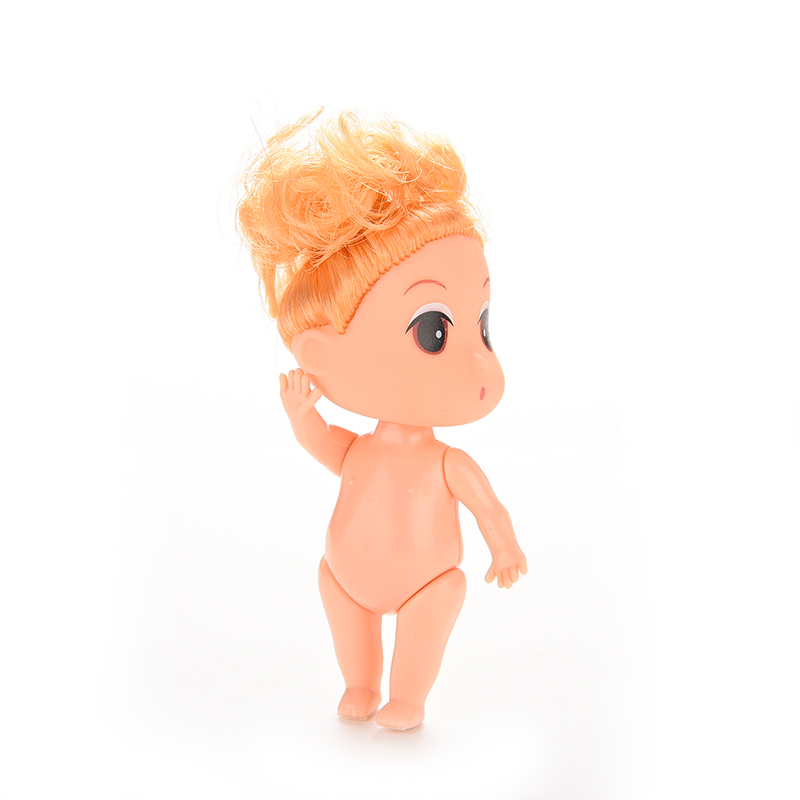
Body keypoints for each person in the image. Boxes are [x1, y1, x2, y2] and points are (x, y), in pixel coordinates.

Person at [238, 111, 527, 730]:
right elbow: (322, 442)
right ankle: (361, 683)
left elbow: (488, 507)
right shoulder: (359, 451)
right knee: (347, 618)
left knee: (426, 622)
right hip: (343, 576)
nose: (480, 360)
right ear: (321, 356)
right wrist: (300, 415)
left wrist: (504, 545)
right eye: (434, 332)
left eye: (482, 325)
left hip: (428, 582)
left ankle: (408, 697)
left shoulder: (447, 463)